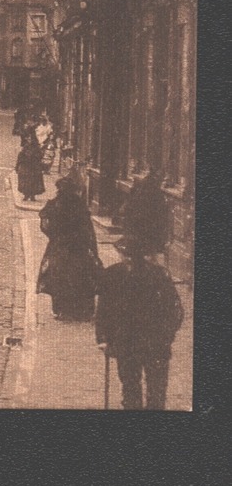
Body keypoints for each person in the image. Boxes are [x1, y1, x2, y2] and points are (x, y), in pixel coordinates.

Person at [95, 235, 184, 409]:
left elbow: (174, 311)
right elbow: (103, 311)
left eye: (127, 255)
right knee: (141, 391)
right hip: (140, 343)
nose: (126, 258)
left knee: (144, 392)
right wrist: (103, 338)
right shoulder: (116, 275)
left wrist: (165, 336)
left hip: (142, 342)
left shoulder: (155, 275)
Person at [37, 174, 102, 320]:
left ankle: (61, 310)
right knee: (81, 276)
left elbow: (45, 226)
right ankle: (81, 311)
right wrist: (90, 246)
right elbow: (87, 230)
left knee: (59, 276)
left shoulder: (54, 205)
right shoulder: (80, 206)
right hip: (79, 247)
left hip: (59, 246)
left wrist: (54, 237)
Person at [120, 168, 171, 259]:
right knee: (148, 240)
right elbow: (159, 207)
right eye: (161, 179)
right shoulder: (153, 188)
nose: (161, 181)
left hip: (138, 219)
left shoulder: (142, 183)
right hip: (144, 220)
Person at [15, 128, 46, 202]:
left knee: (33, 181)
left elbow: (40, 155)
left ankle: (32, 195)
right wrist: (19, 164)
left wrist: (32, 156)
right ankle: (26, 194)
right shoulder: (26, 146)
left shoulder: (36, 147)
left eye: (30, 138)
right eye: (28, 138)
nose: (28, 139)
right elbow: (21, 155)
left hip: (34, 166)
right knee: (25, 180)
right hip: (26, 165)